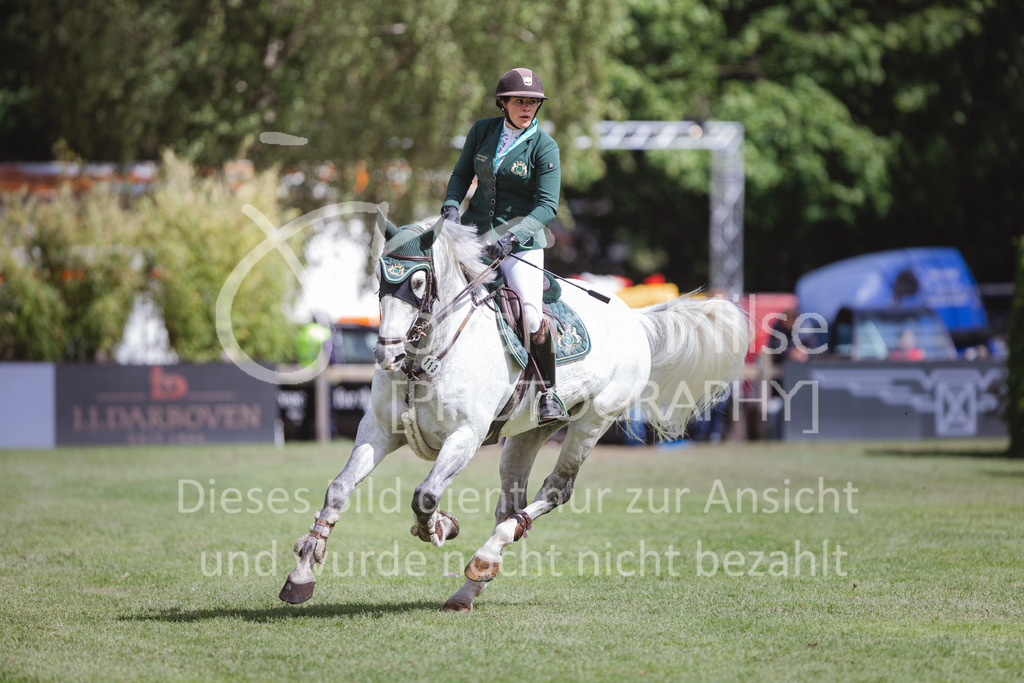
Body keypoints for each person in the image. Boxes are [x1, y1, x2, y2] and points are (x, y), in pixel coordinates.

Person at [440, 67, 566, 424]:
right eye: (520, 101)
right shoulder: (482, 131)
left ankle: (547, 392)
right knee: (436, 287)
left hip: (521, 243)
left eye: (532, 102)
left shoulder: (545, 146)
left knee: (530, 313)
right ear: (504, 103)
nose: (527, 107)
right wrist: (451, 204)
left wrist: (514, 237)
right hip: (474, 234)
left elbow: (547, 205)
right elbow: (462, 175)